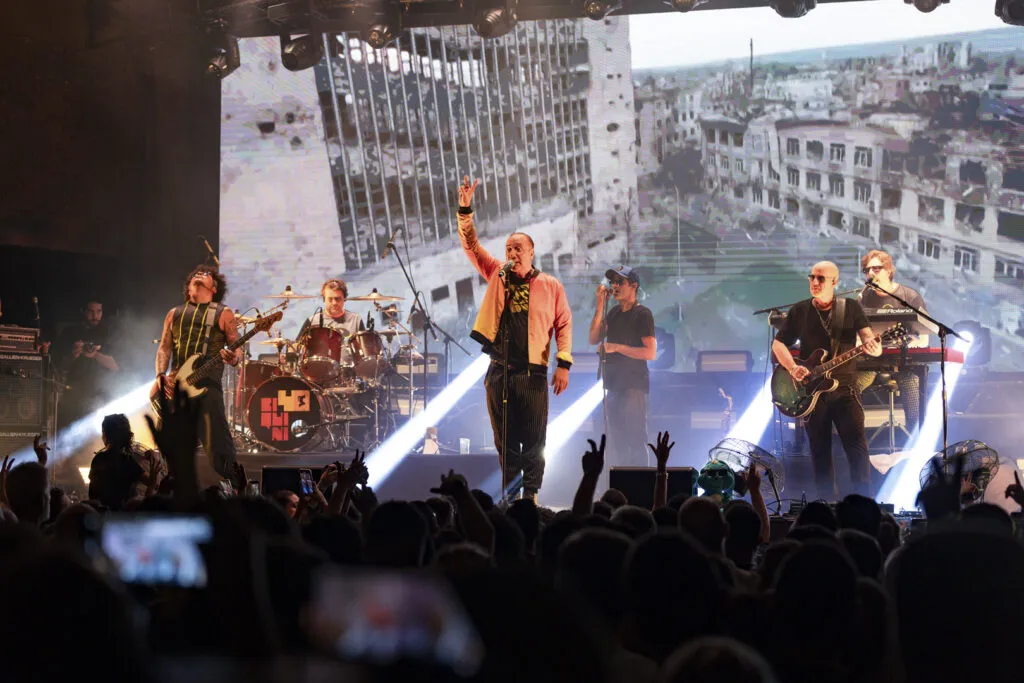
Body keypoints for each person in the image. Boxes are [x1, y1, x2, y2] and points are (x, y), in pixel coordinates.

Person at [456, 176, 572, 503]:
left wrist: (563, 364)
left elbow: (564, 324)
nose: (512, 253)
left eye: (518, 248)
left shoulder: (550, 285)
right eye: (508, 248)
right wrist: (465, 210)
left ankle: (531, 495)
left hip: (532, 373)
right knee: (505, 440)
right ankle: (510, 494)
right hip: (500, 371)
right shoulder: (498, 274)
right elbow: (471, 246)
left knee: (534, 439)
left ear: (532, 251)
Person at [772, 261, 882, 500]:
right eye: (812, 277)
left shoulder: (850, 307)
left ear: (835, 282)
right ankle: (825, 504)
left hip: (845, 389)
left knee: (857, 448)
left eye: (820, 278)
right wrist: (793, 368)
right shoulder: (800, 310)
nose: (814, 282)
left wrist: (873, 346)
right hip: (812, 393)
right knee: (819, 451)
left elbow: (868, 339)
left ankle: (865, 502)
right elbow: (778, 344)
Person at [154, 267, 241, 478]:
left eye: (205, 274)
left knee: (219, 449)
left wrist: (234, 358)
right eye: (195, 274)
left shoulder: (224, 313)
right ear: (188, 288)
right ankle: (170, 488)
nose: (199, 275)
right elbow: (164, 348)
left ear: (214, 288)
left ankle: (235, 487)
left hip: (207, 388)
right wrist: (160, 375)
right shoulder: (173, 314)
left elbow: (236, 346)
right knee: (170, 448)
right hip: (175, 388)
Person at [588, 265, 656, 467]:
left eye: (620, 282)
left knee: (635, 439)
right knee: (617, 442)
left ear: (633, 286)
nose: (614, 286)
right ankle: (621, 481)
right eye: (613, 282)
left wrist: (616, 347)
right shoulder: (614, 313)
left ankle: (641, 481)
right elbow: (593, 338)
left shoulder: (642, 314)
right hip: (613, 385)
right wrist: (600, 305)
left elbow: (650, 352)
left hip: (633, 386)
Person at [855, 249, 929, 433]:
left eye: (876, 268)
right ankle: (852, 436)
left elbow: (924, 335)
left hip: (904, 361)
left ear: (889, 270)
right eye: (867, 270)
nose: (870, 273)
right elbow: (857, 333)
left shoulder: (909, 296)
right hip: (871, 362)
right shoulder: (863, 298)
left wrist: (908, 346)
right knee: (849, 388)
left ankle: (915, 437)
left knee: (911, 388)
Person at [53, 298, 120, 427]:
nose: (95, 316)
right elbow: (58, 366)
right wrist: (73, 354)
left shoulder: (108, 333)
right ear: (83, 311)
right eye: (91, 311)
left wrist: (95, 354)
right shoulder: (69, 333)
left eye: (99, 311)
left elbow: (115, 366)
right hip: (73, 397)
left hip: (101, 395)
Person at [296, 278, 366, 365]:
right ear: (324, 299)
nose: (334, 303)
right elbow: (296, 346)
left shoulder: (356, 320)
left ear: (344, 299)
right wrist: (288, 355)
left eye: (338, 299)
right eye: (330, 299)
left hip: (350, 370)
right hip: (319, 370)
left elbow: (364, 351)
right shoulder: (312, 320)